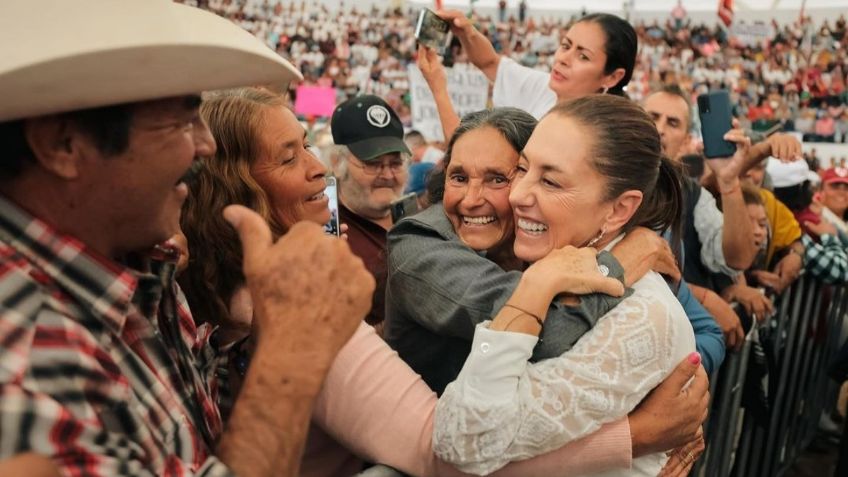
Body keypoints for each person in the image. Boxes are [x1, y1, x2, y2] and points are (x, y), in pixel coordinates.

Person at [180, 87, 709, 477]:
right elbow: (446, 450)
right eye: (290, 156)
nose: (321, 168)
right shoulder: (311, 312)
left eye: (517, 175)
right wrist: (638, 436)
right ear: (237, 186)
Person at [0, 2, 375, 476]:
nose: (206, 144)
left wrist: (253, 334)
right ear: (63, 145)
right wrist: (291, 351)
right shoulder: (28, 350)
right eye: (180, 122)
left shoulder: (146, 265)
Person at [433, 94, 699, 476]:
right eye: (522, 170)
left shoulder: (641, 317)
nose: (518, 194)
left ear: (619, 209)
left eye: (552, 181)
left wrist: (536, 286)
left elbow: (461, 438)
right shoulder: (562, 260)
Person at [436, 11, 637, 119]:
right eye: (565, 46)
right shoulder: (544, 87)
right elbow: (490, 63)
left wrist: (437, 87)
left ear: (613, 76)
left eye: (583, 56)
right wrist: (466, 32)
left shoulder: (602, 134)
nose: (563, 58)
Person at [328, 95, 410, 331]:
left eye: (395, 163)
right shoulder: (327, 233)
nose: (387, 175)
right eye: (372, 163)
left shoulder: (416, 215)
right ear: (337, 163)